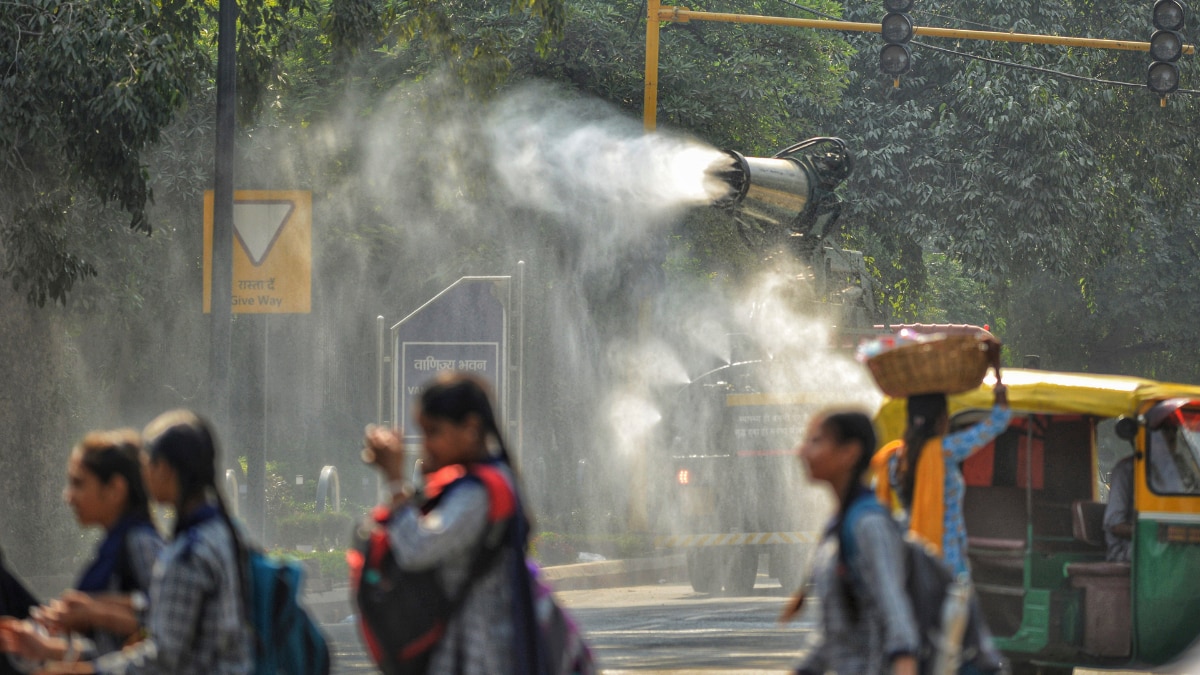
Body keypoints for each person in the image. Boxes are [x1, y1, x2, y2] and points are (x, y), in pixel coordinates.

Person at [36, 410, 254, 675]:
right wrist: (96, 610)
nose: (143, 475)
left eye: (147, 464)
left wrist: (89, 671)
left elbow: (163, 658)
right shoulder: (222, 533)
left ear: (163, 470)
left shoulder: (187, 553)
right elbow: (174, 614)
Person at [361, 371, 536, 674]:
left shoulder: (478, 492)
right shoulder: (479, 481)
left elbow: (417, 549)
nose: (426, 444)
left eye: (433, 432)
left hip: (477, 653)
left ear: (470, 428)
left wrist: (394, 479)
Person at [1, 429, 164, 666]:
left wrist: (94, 613)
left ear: (116, 489)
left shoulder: (141, 543)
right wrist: (43, 647)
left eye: (79, 483)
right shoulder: (113, 547)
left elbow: (168, 629)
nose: (69, 496)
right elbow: (109, 653)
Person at [792, 409, 919, 675]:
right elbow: (838, 637)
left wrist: (904, 662)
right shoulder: (836, 525)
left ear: (849, 453)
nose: (801, 451)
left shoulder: (868, 525)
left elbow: (897, 617)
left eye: (816, 441)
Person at [871, 383, 1011, 578]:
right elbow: (998, 421)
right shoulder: (944, 451)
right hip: (946, 556)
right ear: (942, 419)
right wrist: (1000, 393)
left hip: (909, 551)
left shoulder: (893, 457)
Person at [1103, 455, 1134, 563]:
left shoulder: (1175, 468)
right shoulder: (1126, 469)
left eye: (1172, 442)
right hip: (1124, 549)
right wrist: (1149, 533)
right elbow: (1116, 526)